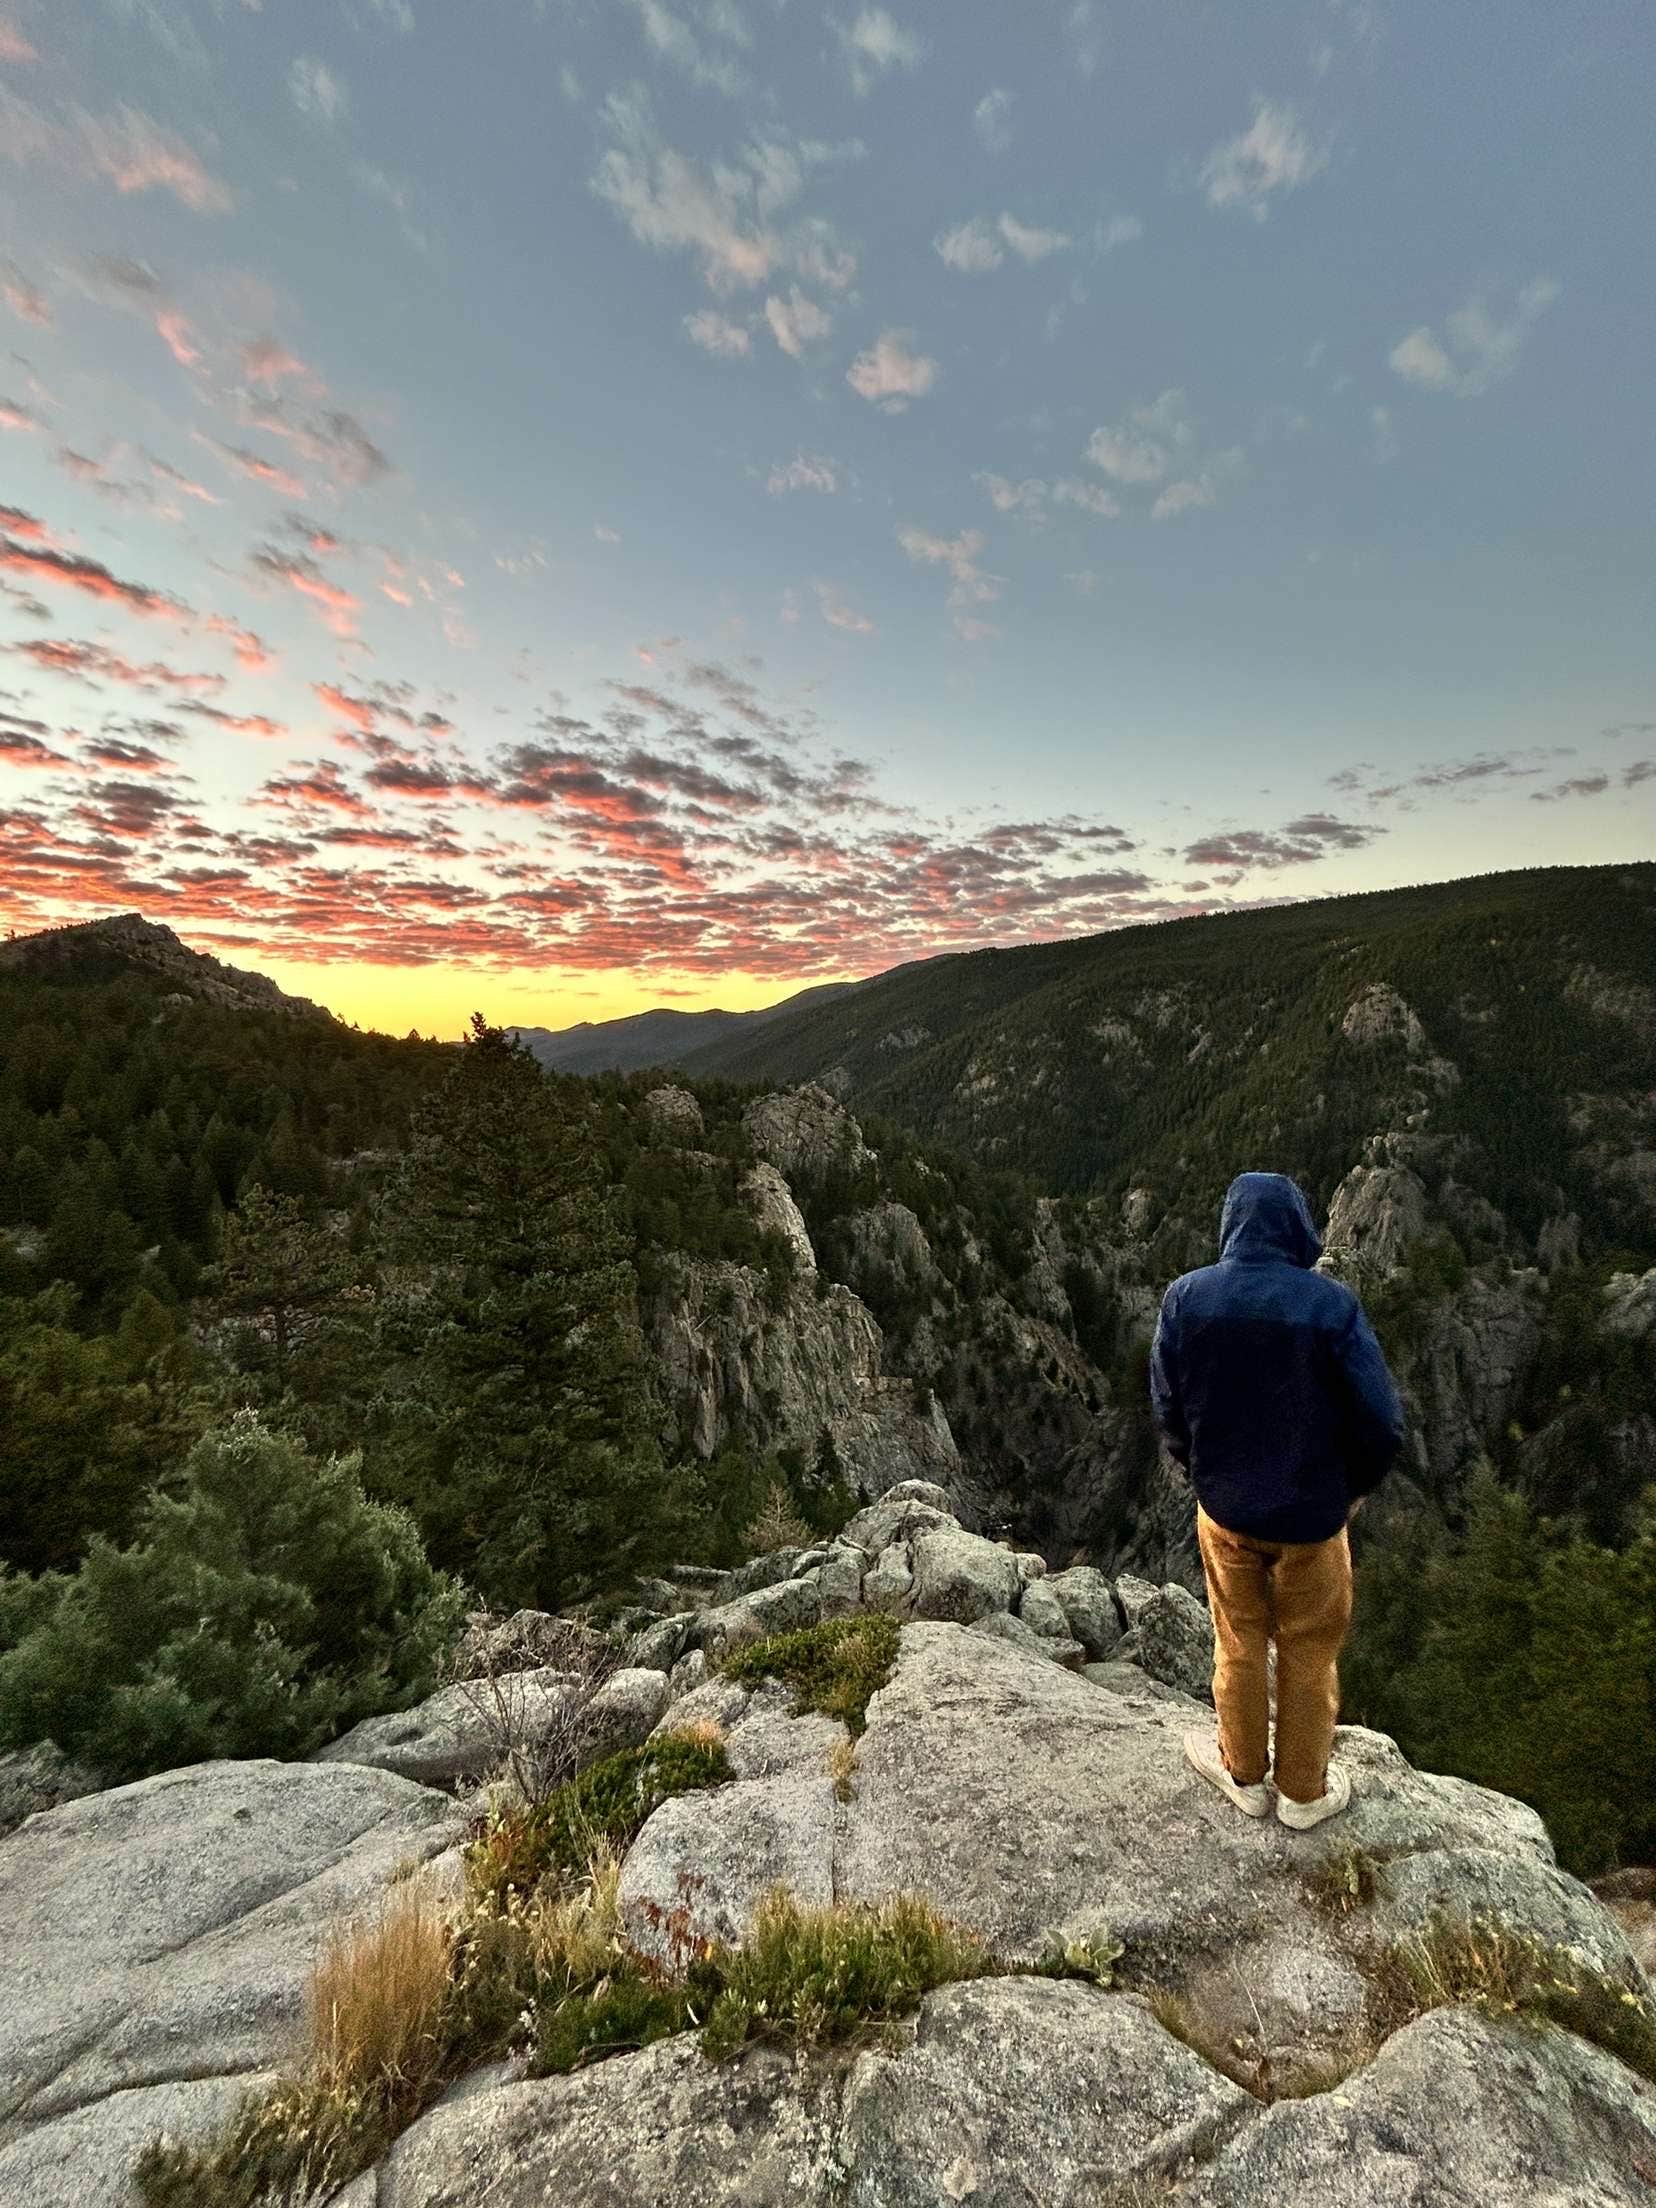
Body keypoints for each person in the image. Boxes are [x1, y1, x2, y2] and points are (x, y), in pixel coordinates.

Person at [1149, 1171, 1405, 1831]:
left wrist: (1201, 1471)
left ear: (1231, 1225)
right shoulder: (1332, 1307)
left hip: (1225, 1513)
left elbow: (1167, 1405)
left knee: (1237, 1639)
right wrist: (1352, 1491)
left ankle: (1242, 1775)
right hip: (1312, 1520)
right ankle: (1302, 1793)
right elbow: (1382, 1422)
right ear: (1297, 1228)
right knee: (1309, 1650)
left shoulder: (1186, 1298)